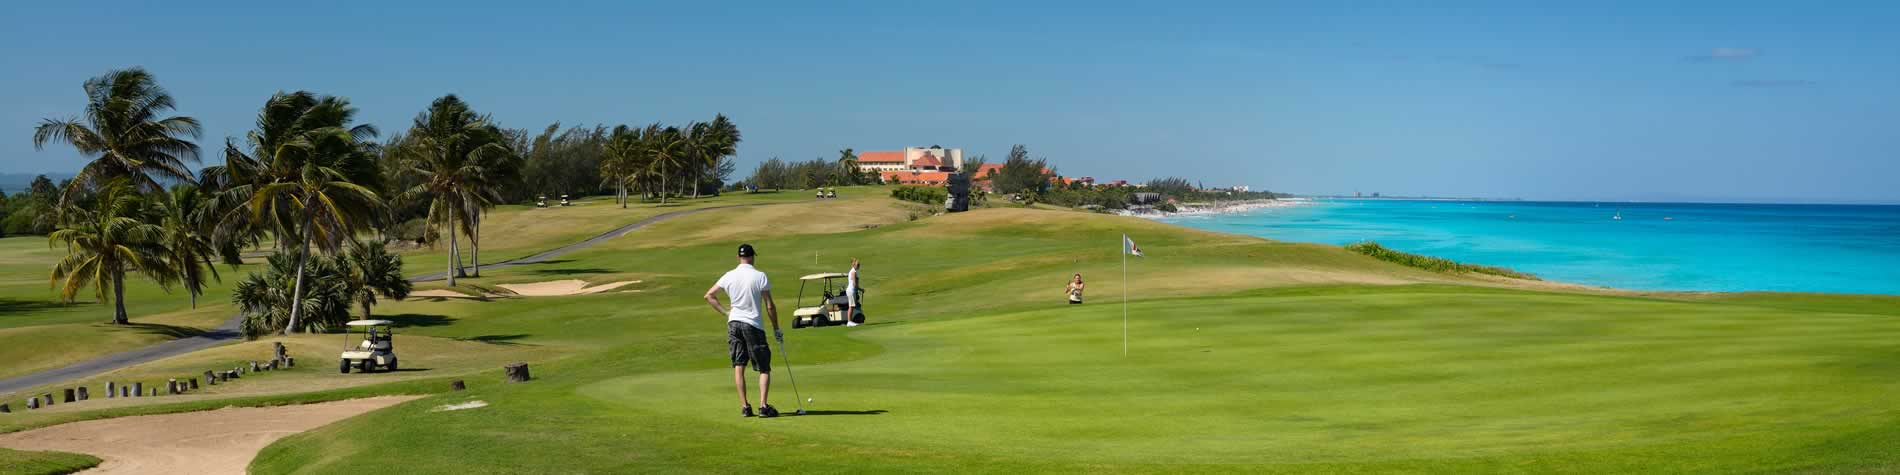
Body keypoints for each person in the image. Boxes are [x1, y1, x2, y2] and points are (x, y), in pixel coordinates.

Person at [704, 243, 784, 418]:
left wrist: (726, 313)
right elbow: (769, 306)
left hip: (734, 323)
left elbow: (709, 296)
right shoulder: (759, 276)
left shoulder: (729, 275)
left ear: (739, 257)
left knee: (739, 365)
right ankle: (763, 406)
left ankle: (745, 407)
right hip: (753, 324)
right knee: (764, 367)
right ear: (752, 256)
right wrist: (776, 328)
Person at [845, 258, 863, 326]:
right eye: (858, 265)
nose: (859, 266)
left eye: (859, 265)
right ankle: (849, 322)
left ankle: (850, 321)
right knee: (851, 306)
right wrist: (861, 289)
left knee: (851, 306)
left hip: (851, 290)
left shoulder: (853, 271)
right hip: (851, 290)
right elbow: (854, 284)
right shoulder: (853, 272)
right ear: (854, 265)